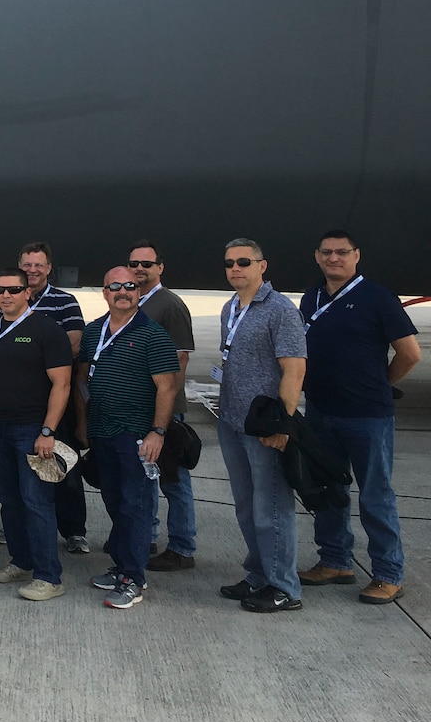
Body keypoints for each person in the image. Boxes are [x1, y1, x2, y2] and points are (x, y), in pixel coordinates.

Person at [297, 229, 421, 604]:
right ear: (317, 257)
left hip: (366, 415)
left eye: (342, 252)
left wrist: (380, 384)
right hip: (321, 411)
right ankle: (335, 561)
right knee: (328, 490)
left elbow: (410, 353)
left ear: (356, 256)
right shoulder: (312, 297)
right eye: (327, 253)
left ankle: (388, 573)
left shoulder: (378, 298)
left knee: (375, 494)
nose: (334, 258)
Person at [74, 268, 180, 609]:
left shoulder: (153, 334)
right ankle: (121, 566)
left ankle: (134, 577)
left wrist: (157, 432)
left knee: (136, 505)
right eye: (115, 286)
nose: (123, 292)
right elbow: (81, 378)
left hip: (135, 434)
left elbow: (168, 387)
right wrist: (83, 423)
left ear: (138, 292)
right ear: (105, 292)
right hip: (102, 431)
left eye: (130, 287)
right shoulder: (93, 332)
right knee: (115, 503)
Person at [0, 268, 74, 601]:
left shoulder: (46, 330)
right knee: (9, 500)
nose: (6, 295)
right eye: (0, 289)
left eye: (13, 289)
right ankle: (22, 562)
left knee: (36, 502)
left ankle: (49, 576)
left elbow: (63, 384)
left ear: (28, 292)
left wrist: (48, 431)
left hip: (32, 430)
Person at [216, 238, 307, 613]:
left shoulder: (280, 310)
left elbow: (294, 369)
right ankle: (258, 575)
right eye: (229, 263)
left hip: (264, 426)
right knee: (246, 506)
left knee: (272, 508)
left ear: (261, 266)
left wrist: (282, 424)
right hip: (231, 420)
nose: (235, 268)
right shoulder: (230, 307)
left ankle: (284, 586)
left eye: (243, 262)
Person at [129, 242, 199, 572]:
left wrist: (166, 412)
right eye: (134, 263)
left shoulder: (169, 305)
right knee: (146, 478)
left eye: (147, 263)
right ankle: (148, 537)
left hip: (163, 409)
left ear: (160, 267)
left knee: (173, 479)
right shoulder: (133, 302)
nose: (139, 268)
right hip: (139, 408)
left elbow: (180, 358)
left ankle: (183, 547)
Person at [19, 242, 89, 554]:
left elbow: (74, 345)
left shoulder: (65, 302)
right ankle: (27, 522)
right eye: (27, 265)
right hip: (23, 402)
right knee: (27, 465)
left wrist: (30, 362)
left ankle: (74, 530)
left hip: (58, 398)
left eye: (38, 265)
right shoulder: (13, 299)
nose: (32, 270)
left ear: (49, 268)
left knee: (65, 465)